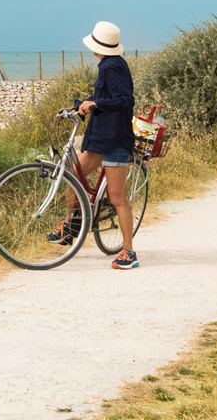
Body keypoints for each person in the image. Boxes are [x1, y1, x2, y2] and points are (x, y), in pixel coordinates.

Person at [48, 21, 139, 269]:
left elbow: (124, 100)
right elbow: (101, 97)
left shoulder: (112, 66)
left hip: (115, 139)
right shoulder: (107, 65)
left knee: (117, 196)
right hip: (99, 139)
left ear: (97, 46)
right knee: (72, 176)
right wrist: (77, 106)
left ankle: (129, 251)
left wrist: (97, 105)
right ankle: (69, 228)